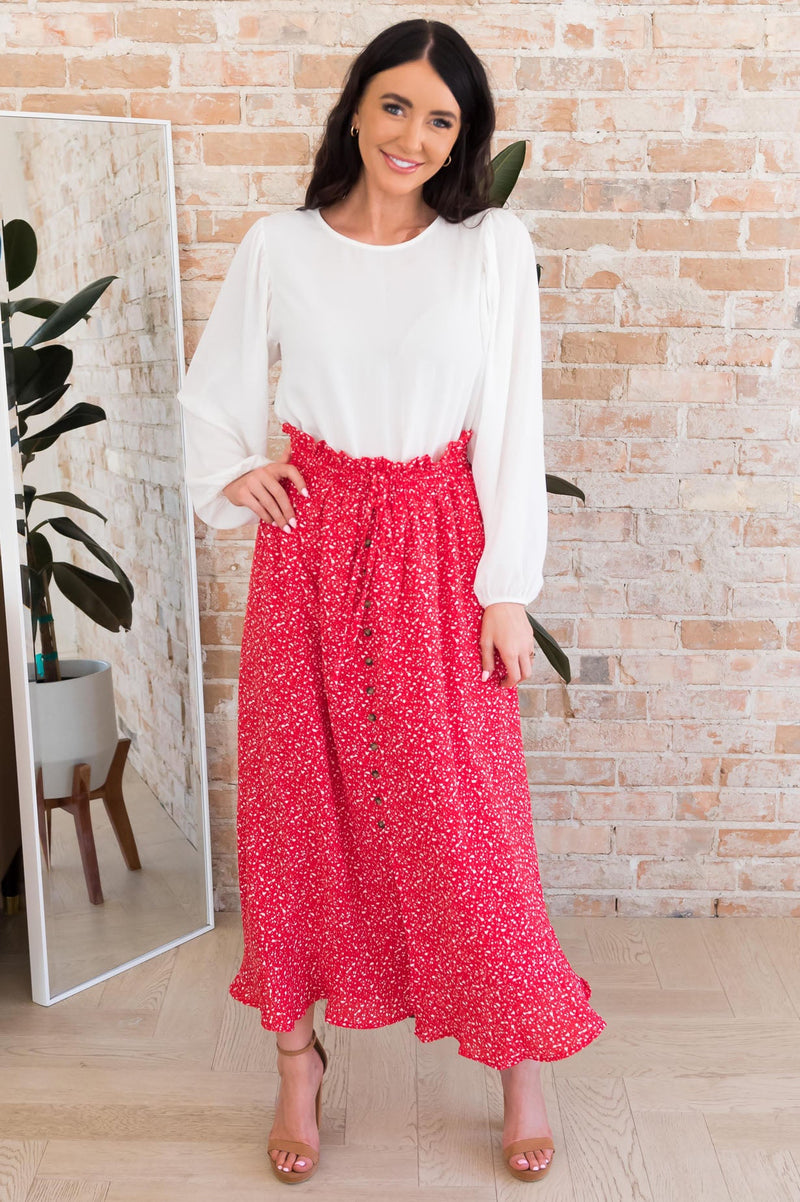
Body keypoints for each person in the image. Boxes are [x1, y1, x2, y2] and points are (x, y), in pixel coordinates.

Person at [177, 17, 606, 1187]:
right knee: (293, 809)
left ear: (462, 138)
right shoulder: (280, 244)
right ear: (356, 108)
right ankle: (295, 1060)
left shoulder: (487, 247)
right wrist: (234, 468)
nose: (411, 135)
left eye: (440, 118)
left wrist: (505, 592)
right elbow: (213, 389)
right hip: (309, 548)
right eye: (394, 105)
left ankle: (518, 1057)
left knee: (463, 820)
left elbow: (511, 421)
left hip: (436, 542)